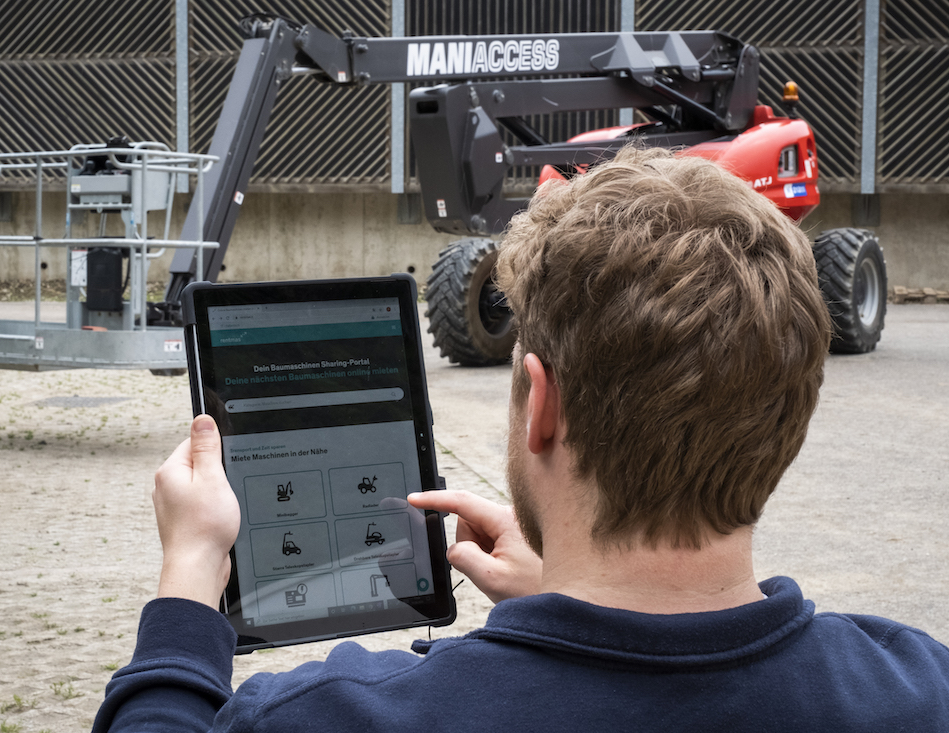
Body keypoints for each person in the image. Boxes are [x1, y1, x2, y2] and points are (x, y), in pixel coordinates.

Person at [92, 148, 949, 732]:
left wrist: (189, 581)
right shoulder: (918, 688)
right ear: (788, 411)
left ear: (541, 405)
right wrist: (564, 596)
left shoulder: (336, 714)